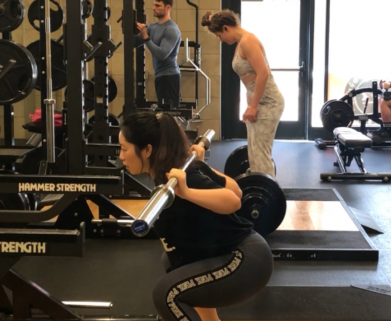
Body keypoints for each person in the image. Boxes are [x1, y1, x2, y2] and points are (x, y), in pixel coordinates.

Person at [118, 111, 274, 321]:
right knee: (175, 259)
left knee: (166, 295)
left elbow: (234, 199)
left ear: (147, 150)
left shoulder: (183, 178)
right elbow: (236, 190)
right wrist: (202, 165)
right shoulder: (180, 171)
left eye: (124, 149)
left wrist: (188, 191)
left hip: (245, 259)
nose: (120, 156)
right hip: (242, 253)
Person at [201, 10, 283, 178]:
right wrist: (251, 104)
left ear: (226, 28)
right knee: (254, 153)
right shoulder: (241, 42)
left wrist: (253, 106)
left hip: (268, 102)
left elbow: (263, 73)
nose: (221, 40)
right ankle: (257, 185)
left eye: (219, 36)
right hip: (258, 102)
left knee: (260, 154)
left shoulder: (248, 41)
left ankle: (267, 199)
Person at [135, 0, 182, 109]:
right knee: (162, 113)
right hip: (160, 76)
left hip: (169, 77)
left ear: (168, 8)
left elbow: (162, 54)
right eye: (153, 5)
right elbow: (135, 42)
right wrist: (128, 28)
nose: (154, 8)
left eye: (158, 5)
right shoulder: (153, 27)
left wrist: (146, 37)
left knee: (168, 116)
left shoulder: (171, 29)